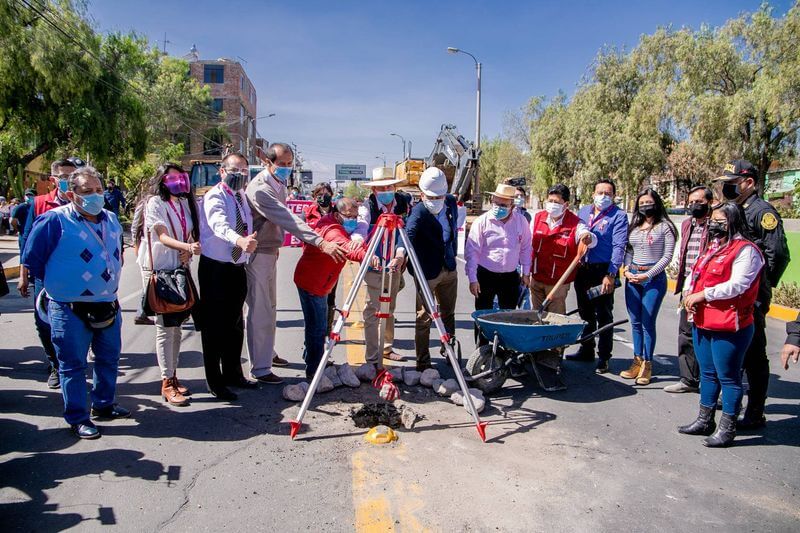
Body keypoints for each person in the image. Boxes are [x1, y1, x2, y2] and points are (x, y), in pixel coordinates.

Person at [21, 166, 129, 439]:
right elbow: (34, 261)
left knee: (108, 359)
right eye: (87, 191)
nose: (95, 195)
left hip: (108, 303)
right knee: (72, 365)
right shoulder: (53, 221)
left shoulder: (112, 219)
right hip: (69, 308)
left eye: (99, 190)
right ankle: (78, 417)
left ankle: (104, 405)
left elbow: (117, 254)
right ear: (71, 194)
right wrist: (64, 287)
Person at [245, 145, 346, 384]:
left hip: (269, 251)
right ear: (269, 163)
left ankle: (267, 354)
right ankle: (260, 368)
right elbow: (286, 218)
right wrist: (321, 242)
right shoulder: (261, 189)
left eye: (290, 164)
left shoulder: (275, 183)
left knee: (270, 309)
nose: (287, 169)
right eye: (283, 164)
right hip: (257, 253)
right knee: (259, 311)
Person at [678, 202, 764, 448]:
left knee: (728, 377)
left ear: (734, 221)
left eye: (720, 221)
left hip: (730, 324)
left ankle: (728, 428)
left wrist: (702, 295)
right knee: (707, 373)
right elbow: (695, 274)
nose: (714, 224)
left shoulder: (746, 250)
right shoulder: (713, 248)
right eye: (713, 220)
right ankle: (705, 420)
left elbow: (738, 285)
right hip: (704, 321)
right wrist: (688, 294)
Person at [714, 159, 790, 430]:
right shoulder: (734, 209)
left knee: (755, 354)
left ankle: (755, 412)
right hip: (733, 295)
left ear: (748, 183)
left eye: (731, 184)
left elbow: (777, 254)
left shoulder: (762, 212)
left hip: (752, 295)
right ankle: (733, 401)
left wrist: (759, 286)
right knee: (736, 350)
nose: (726, 188)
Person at [138, 164, 201, 406]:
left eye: (180, 177)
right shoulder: (155, 203)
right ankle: (166, 381)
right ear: (163, 180)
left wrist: (188, 252)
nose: (178, 181)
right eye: (172, 177)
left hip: (179, 268)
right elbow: (162, 236)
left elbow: (189, 234)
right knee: (165, 328)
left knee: (177, 327)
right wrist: (186, 248)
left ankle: (173, 376)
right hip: (159, 270)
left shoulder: (184, 203)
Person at [18, 157, 84, 389]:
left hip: (75, 274)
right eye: (64, 177)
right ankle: (55, 365)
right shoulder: (38, 204)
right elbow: (27, 241)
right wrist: (24, 274)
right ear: (53, 179)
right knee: (44, 320)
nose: (69, 181)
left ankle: (73, 361)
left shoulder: (85, 202)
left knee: (76, 320)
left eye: (73, 176)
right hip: (43, 275)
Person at [199, 153, 259, 401]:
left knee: (235, 324)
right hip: (216, 268)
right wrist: (240, 240)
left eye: (244, 171)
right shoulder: (215, 196)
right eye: (235, 170)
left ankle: (233, 373)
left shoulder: (240, 195)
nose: (240, 175)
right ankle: (215, 381)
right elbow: (219, 224)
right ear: (222, 171)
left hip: (236, 266)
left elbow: (243, 222)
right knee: (214, 327)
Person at [294, 197, 367, 377]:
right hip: (313, 284)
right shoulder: (332, 229)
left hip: (317, 281)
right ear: (337, 214)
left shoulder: (334, 223)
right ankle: (314, 369)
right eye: (349, 216)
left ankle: (313, 359)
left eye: (355, 216)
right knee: (317, 327)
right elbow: (348, 247)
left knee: (316, 325)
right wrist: (370, 256)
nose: (352, 220)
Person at [567, 179, 628, 374]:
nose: (603, 196)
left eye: (607, 193)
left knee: (603, 314)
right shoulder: (584, 211)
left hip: (603, 270)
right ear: (593, 194)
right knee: (585, 313)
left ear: (613, 196)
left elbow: (619, 246)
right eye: (600, 192)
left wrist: (611, 273)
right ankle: (586, 349)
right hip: (583, 268)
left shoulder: (618, 216)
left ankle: (604, 357)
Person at [619, 188, 677, 385]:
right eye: (641, 203)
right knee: (634, 321)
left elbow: (667, 257)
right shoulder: (634, 226)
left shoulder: (665, 227)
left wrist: (647, 274)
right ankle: (637, 360)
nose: (645, 206)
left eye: (648, 202)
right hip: (632, 277)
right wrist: (626, 270)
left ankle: (648, 364)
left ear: (656, 203)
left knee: (647, 322)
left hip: (653, 278)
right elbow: (628, 250)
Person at [354, 167, 410, 364]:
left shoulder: (402, 205)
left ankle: (386, 348)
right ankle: (371, 355)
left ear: (394, 187)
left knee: (389, 307)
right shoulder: (367, 208)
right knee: (372, 309)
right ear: (374, 190)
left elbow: (404, 235)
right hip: (374, 264)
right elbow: (361, 229)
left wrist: (400, 255)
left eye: (389, 187)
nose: (386, 191)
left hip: (394, 264)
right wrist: (361, 245)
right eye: (381, 188)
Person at [406, 168, 459, 371]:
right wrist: (401, 254)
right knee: (424, 318)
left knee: (448, 313)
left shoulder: (451, 203)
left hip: (449, 268)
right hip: (427, 272)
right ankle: (423, 362)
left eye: (439, 197)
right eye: (431, 197)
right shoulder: (419, 211)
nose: (436, 200)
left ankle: (450, 351)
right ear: (422, 195)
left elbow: (452, 230)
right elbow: (409, 233)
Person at [466, 183, 532, 343]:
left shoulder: (521, 222)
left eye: (503, 205)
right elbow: (472, 252)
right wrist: (473, 279)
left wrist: (526, 273)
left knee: (508, 316)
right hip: (485, 275)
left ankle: (505, 353)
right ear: (492, 200)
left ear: (511, 205)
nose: (499, 207)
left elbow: (526, 247)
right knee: (483, 316)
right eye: (496, 203)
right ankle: (482, 352)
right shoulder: (482, 222)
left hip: (510, 277)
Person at [664, 185, 712, 393]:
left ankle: (711, 381)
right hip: (688, 285)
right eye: (691, 202)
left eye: (699, 202)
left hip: (707, 286)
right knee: (686, 332)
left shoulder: (716, 225)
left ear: (710, 202)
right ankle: (688, 379)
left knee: (707, 335)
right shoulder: (686, 225)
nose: (694, 206)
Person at [530, 184, 596, 316]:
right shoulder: (537, 218)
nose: (552, 205)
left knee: (555, 320)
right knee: (535, 318)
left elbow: (589, 237)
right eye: (550, 201)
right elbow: (527, 245)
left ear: (565, 205)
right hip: (537, 280)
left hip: (558, 284)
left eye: (556, 202)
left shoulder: (575, 223)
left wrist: (587, 237)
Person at [303, 183, 338, 332]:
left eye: (327, 193)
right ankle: (312, 333)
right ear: (314, 197)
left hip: (332, 261)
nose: (324, 197)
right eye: (320, 194)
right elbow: (302, 234)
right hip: (312, 262)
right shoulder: (307, 213)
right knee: (313, 298)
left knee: (330, 296)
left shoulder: (338, 212)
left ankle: (326, 330)